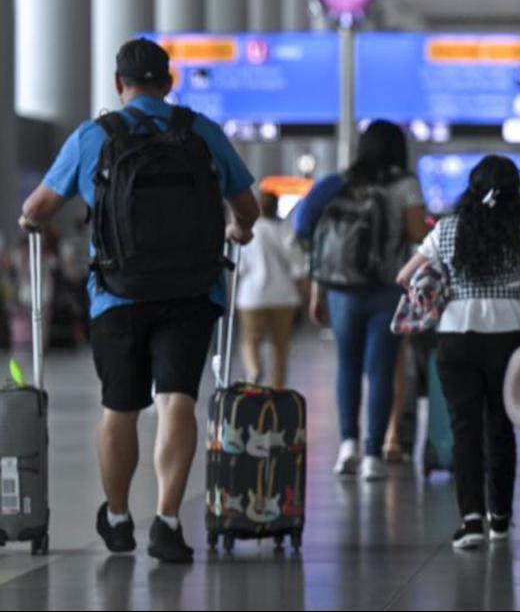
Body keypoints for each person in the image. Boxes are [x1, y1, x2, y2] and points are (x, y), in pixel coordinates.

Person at [18, 38, 258, 564]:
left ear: (118, 84)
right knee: (177, 400)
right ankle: (169, 521)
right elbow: (247, 205)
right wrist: (237, 229)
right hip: (193, 292)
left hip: (117, 296)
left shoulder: (93, 137)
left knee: (120, 408)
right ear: (169, 83)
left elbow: (37, 208)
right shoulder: (201, 132)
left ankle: (121, 517)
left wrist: (33, 221)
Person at [395, 155, 520, 550]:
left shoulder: (446, 229)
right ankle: (501, 520)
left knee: (464, 428)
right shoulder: (517, 229)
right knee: (500, 426)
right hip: (505, 336)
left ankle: (470, 521)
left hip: (455, 335)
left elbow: (404, 276)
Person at [293, 120, 428, 482]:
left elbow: (303, 224)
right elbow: (417, 233)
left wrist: (319, 286)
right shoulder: (405, 185)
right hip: (387, 288)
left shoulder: (340, 182)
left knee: (347, 366)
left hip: (341, 290)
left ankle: (348, 445)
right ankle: (373, 455)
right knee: (381, 370)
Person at [236, 190, 309, 389]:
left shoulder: (247, 231)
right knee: (280, 348)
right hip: (284, 297)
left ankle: (254, 370)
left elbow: (240, 267)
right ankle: (277, 392)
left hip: (252, 298)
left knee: (250, 340)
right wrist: (307, 298)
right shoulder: (285, 231)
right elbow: (298, 268)